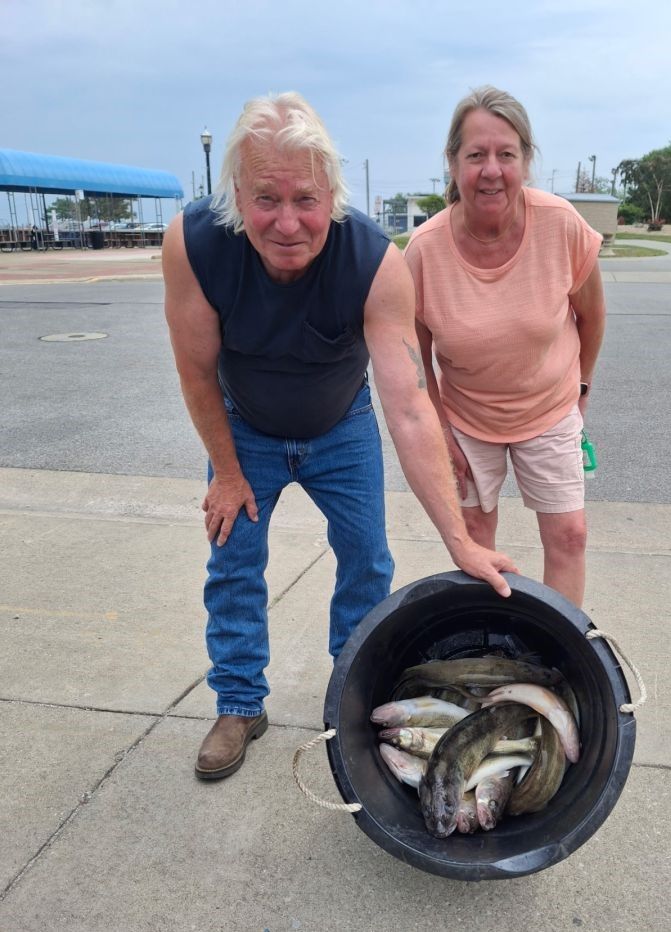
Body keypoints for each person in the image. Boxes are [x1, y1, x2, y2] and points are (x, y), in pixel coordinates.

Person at [162, 92, 516, 781]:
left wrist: (460, 539)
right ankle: (239, 704)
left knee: (366, 561)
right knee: (233, 563)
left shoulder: (374, 261)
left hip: (341, 423)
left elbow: (409, 406)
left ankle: (352, 694)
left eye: (306, 200)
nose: (288, 222)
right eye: (266, 198)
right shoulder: (194, 244)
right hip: (244, 426)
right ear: (235, 191)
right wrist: (228, 475)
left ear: (333, 194)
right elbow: (196, 374)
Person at [404, 86, 606, 609]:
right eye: (475, 155)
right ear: (452, 163)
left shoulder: (562, 225)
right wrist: (441, 430)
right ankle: (487, 645)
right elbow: (416, 362)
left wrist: (581, 390)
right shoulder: (423, 251)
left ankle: (563, 656)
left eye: (505, 154)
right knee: (473, 535)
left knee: (569, 536)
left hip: (551, 406)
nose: (491, 170)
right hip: (467, 418)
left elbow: (592, 316)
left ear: (525, 160)